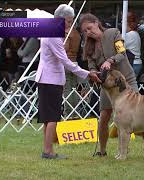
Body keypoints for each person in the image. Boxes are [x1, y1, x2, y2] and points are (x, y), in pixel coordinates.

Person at [79, 13, 144, 158]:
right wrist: (93, 72)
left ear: (96, 23)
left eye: (89, 28)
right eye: (85, 31)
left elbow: (122, 52)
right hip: (108, 85)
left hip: (126, 79)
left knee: (141, 113)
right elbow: (90, 63)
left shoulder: (113, 33)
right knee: (104, 117)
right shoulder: (89, 46)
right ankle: (102, 151)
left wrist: (110, 60)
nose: (88, 32)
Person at [35, 5, 101, 160]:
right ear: (61, 19)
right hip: (51, 79)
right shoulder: (54, 35)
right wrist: (87, 73)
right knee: (53, 117)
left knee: (47, 117)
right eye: (69, 21)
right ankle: (48, 151)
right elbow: (65, 61)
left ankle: (47, 149)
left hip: (46, 78)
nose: (70, 25)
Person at [61, 6, 82, 119]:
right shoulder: (77, 34)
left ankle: (68, 113)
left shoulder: (67, 33)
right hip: (75, 62)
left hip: (67, 62)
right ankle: (75, 112)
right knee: (74, 88)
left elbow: (65, 48)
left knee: (67, 89)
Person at [125, 12, 142, 77]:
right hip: (137, 63)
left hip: (133, 63)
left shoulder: (130, 34)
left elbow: (119, 46)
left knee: (130, 84)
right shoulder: (135, 34)